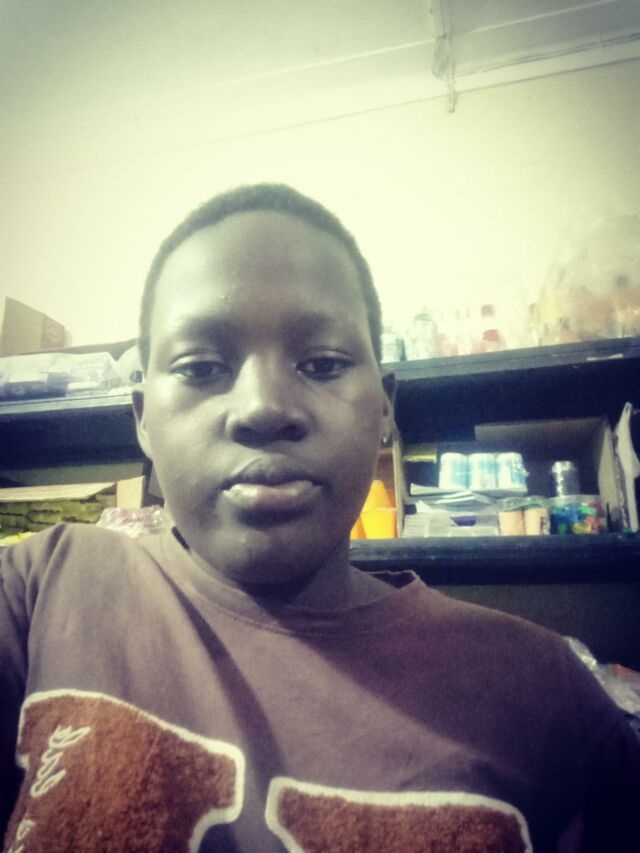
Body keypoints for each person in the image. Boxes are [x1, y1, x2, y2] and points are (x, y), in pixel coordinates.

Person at [1, 184, 638, 853]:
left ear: (385, 408)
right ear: (143, 421)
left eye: (323, 364)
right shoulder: (44, 590)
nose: (263, 407)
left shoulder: (543, 690)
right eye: (202, 367)